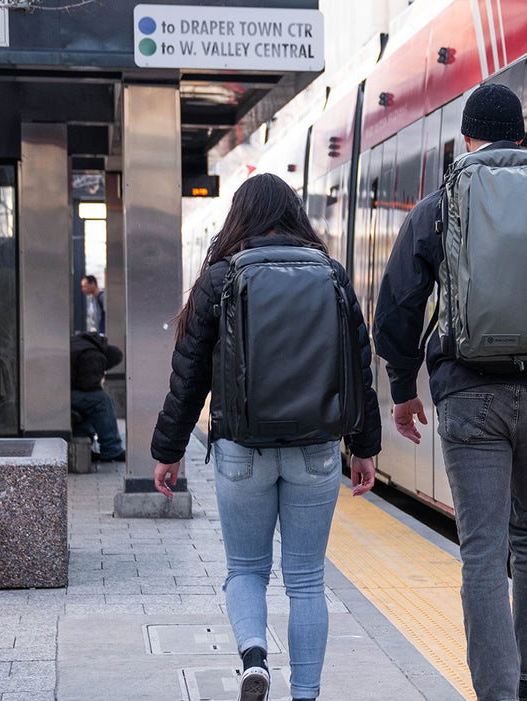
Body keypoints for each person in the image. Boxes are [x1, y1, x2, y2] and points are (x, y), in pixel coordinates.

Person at [373, 83, 527, 701]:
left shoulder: (439, 206)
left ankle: (497, 694)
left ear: (467, 138)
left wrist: (403, 388)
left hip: (469, 394)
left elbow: (397, 307)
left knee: (483, 551)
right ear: (522, 139)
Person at [150, 173, 382, 701]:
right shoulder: (331, 274)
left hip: (242, 452)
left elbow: (189, 376)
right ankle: (305, 694)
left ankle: (254, 657)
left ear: (240, 217)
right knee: (306, 580)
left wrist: (168, 451)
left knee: (246, 572)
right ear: (295, 214)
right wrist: (364, 447)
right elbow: (358, 366)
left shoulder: (221, 277)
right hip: (316, 450)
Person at [69, 330, 124, 462]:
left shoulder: (83, 342)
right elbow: (88, 385)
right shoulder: (94, 355)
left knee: (92, 402)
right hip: (62, 394)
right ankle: (112, 449)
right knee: (102, 400)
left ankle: (85, 444)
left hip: (57, 391)